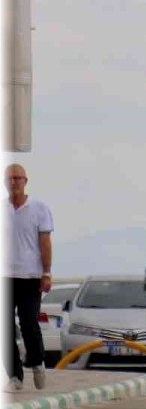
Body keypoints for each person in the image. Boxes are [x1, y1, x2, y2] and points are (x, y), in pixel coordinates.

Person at [5, 164, 53, 392]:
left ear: (26, 181)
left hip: (30, 276)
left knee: (28, 323)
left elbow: (45, 242)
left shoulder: (38, 208)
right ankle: (14, 376)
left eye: (17, 178)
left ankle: (37, 362)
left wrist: (46, 272)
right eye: (9, 178)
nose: (13, 182)